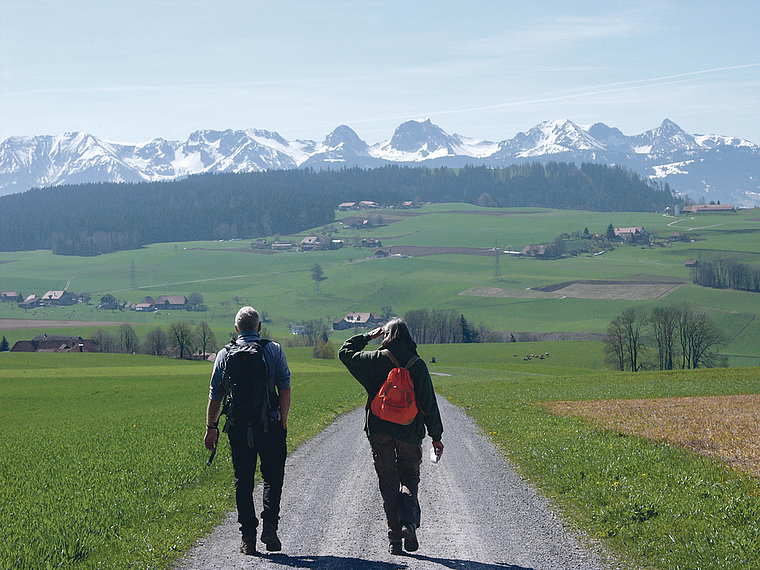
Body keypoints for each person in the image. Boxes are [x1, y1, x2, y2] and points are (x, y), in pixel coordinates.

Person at [339, 318, 444, 555]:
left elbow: (344, 352)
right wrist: (435, 436)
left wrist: (367, 336)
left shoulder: (375, 360)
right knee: (409, 478)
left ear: (385, 335)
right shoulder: (417, 365)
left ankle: (395, 539)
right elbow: (429, 404)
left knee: (388, 483)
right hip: (410, 432)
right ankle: (408, 522)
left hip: (379, 430)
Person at [204, 306, 291, 556]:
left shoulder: (224, 354)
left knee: (244, 481)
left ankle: (248, 538)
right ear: (259, 327)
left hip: (239, 429)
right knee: (272, 478)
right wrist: (282, 421)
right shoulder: (273, 350)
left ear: (236, 329)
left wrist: (211, 428)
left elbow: (215, 395)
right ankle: (270, 529)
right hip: (271, 426)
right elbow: (284, 389)